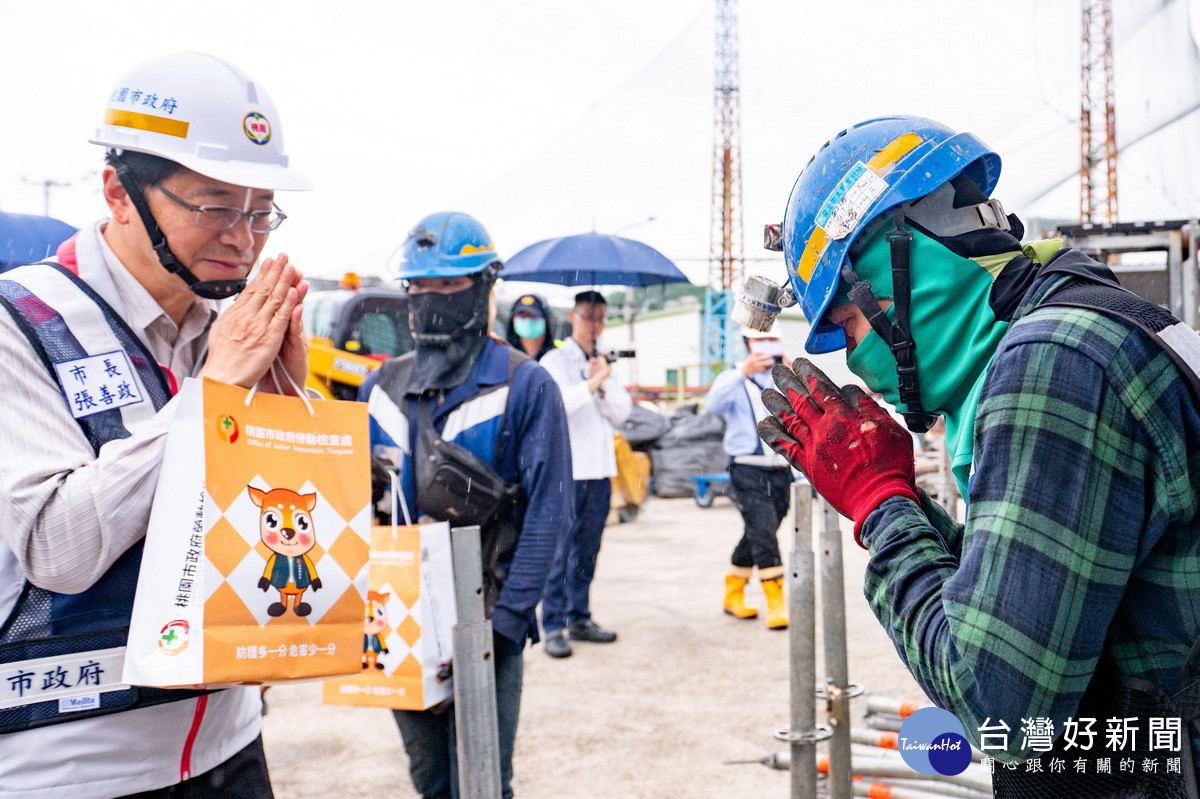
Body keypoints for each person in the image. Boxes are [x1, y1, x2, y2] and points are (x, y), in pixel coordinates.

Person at [757, 115, 1200, 795]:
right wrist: (909, 510)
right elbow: (1030, 588)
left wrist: (882, 503)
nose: (854, 358)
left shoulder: (1056, 363)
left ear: (894, 267)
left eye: (846, 324)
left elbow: (1001, 699)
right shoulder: (1090, 316)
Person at [0, 52, 311, 798]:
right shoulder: (22, 322)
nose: (243, 236)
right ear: (119, 191)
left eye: (260, 209)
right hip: (75, 764)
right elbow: (56, 546)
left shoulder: (229, 330)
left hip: (229, 740)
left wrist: (283, 401)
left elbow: (275, 519)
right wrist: (213, 391)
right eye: (213, 205)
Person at [361, 211, 572, 799]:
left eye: (448, 287)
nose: (431, 301)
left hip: (486, 615)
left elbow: (550, 514)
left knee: (481, 778)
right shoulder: (379, 389)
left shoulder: (524, 386)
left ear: (482, 287)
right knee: (428, 777)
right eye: (419, 288)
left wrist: (503, 628)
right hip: (398, 617)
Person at [539, 290, 632, 659]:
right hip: (566, 470)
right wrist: (593, 383)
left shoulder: (604, 363)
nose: (594, 325)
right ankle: (553, 624)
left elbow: (622, 412)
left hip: (599, 470)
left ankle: (580, 615)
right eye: (587, 316)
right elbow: (559, 404)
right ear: (573, 317)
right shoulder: (555, 360)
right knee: (559, 551)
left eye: (600, 318)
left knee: (588, 549)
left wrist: (604, 381)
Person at [705, 326, 791, 630]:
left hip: (780, 466)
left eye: (772, 339)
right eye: (760, 340)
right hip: (746, 467)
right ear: (747, 343)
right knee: (764, 530)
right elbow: (712, 405)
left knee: (759, 529)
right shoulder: (732, 377)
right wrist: (743, 371)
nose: (767, 345)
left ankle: (733, 592)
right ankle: (776, 601)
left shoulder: (782, 375)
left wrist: (792, 373)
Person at [504, 292, 557, 360]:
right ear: (512, 319)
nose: (527, 320)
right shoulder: (505, 353)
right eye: (522, 316)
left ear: (546, 320)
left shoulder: (556, 356)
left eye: (534, 316)